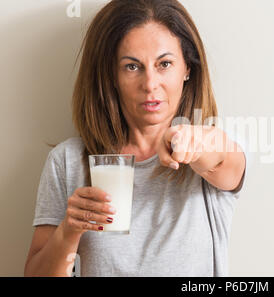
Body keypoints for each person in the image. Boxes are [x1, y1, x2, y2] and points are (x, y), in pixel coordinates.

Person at [24, 0, 247, 277]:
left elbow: (223, 158)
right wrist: (68, 232)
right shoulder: (68, 161)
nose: (150, 84)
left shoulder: (213, 149)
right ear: (112, 76)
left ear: (187, 68)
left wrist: (190, 141)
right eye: (132, 67)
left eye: (164, 64)